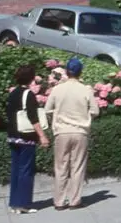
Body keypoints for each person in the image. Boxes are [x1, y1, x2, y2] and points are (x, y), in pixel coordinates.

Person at [45, 57, 100, 210]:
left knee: (60, 167)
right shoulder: (85, 89)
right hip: (80, 132)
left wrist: (56, 117)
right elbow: (95, 111)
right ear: (80, 72)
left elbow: (48, 109)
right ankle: (75, 201)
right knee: (77, 167)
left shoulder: (57, 89)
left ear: (67, 72)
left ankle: (59, 201)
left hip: (62, 132)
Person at [5, 64, 50, 215]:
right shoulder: (28, 94)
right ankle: (23, 203)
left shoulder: (13, 93)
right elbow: (33, 118)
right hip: (26, 137)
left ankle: (14, 203)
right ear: (31, 78)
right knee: (26, 170)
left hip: (13, 136)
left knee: (16, 170)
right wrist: (42, 135)